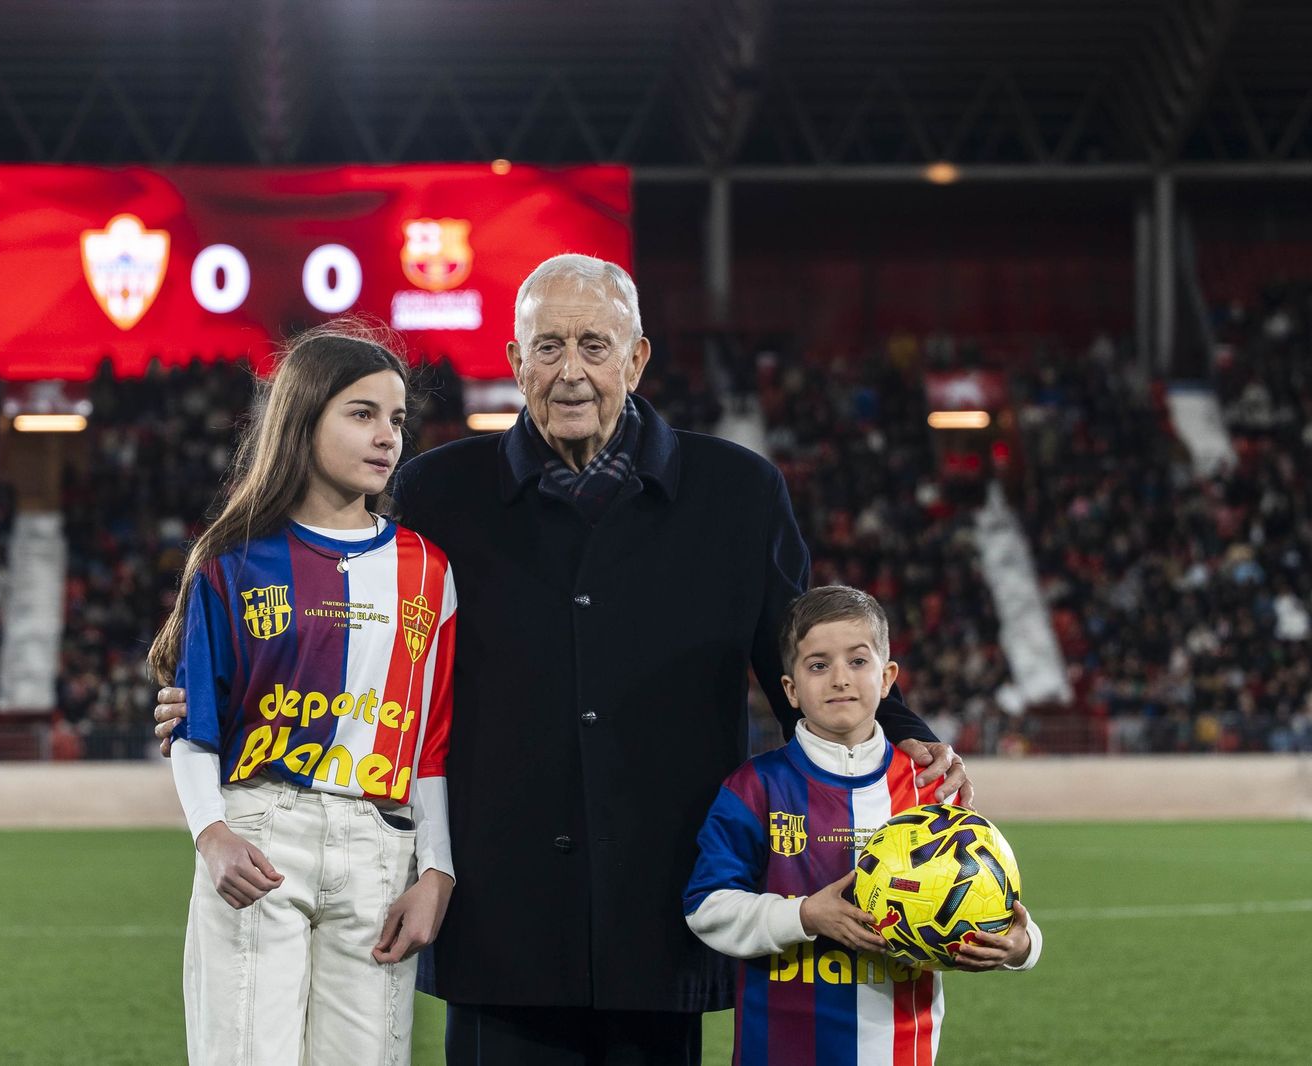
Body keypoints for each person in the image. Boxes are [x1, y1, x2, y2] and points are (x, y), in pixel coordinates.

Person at [155, 255, 971, 1065]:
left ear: (637, 359)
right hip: (500, 920)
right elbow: (348, 617)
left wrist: (902, 733)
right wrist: (215, 696)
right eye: (548, 347)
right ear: (516, 362)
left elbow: (801, 659)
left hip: (661, 910)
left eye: (594, 345)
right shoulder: (437, 492)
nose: (571, 372)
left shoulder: (737, 493)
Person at [147, 323, 458, 1066]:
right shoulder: (232, 561)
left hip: (381, 849)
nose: (386, 436)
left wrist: (438, 870)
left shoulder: (428, 569)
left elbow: (431, 739)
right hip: (259, 833)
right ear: (303, 418)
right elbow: (195, 724)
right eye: (362, 413)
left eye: (396, 419)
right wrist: (211, 835)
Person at [683, 586, 1041, 1064]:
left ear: (887, 677)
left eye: (857, 661)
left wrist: (1021, 946)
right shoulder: (755, 787)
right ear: (790, 689)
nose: (839, 679)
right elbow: (706, 907)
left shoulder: (932, 788)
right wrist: (804, 916)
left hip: (900, 1052)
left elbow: (995, 899)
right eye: (817, 665)